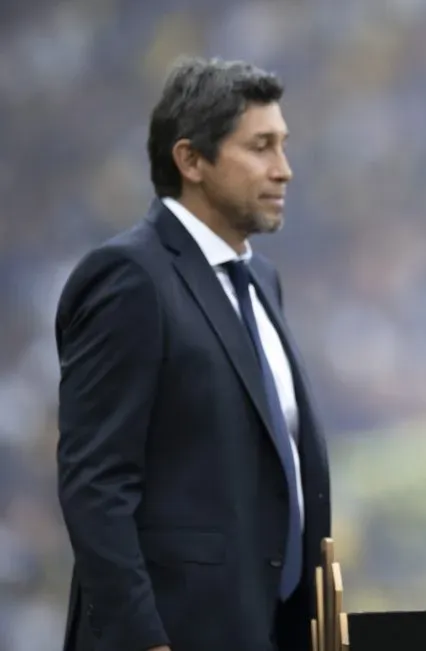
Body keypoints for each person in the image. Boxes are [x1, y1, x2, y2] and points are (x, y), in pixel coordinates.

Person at [55, 57, 332, 651]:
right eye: (261, 147)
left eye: (283, 146)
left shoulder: (261, 279)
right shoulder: (128, 278)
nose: (284, 170)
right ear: (191, 160)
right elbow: (96, 485)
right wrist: (144, 640)